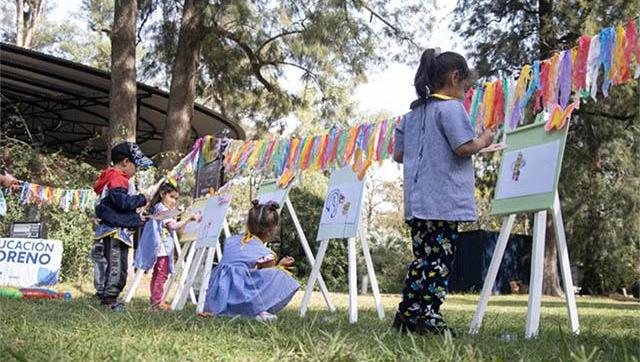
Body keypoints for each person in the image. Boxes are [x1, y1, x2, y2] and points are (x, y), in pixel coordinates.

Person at [392, 48, 496, 335]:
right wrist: (484, 140)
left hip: (417, 203)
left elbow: (399, 154)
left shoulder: (410, 116)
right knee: (438, 263)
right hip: (442, 203)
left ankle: (408, 313)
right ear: (454, 78)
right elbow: (463, 147)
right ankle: (427, 315)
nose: (465, 92)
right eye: (465, 86)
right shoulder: (450, 109)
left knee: (422, 260)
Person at [202, 200, 299, 322]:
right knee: (281, 275)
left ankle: (236, 310)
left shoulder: (231, 241)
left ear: (248, 225)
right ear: (273, 230)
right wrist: (279, 266)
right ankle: (258, 311)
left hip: (220, 294)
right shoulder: (266, 254)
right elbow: (265, 281)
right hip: (240, 295)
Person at [92, 141, 153, 311]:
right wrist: (142, 198)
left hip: (112, 229)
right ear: (126, 162)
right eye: (136, 166)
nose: (136, 171)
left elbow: (117, 209)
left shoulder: (111, 177)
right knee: (117, 266)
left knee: (111, 264)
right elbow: (121, 202)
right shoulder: (118, 178)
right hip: (115, 232)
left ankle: (106, 295)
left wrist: (137, 220)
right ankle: (109, 300)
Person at [134, 178, 202, 309]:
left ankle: (155, 300)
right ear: (162, 194)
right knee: (161, 275)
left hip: (161, 248)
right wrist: (189, 219)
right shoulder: (162, 209)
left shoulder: (159, 208)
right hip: (161, 248)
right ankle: (157, 302)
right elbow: (173, 226)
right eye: (171, 197)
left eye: (176, 198)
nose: (174, 201)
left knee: (158, 274)